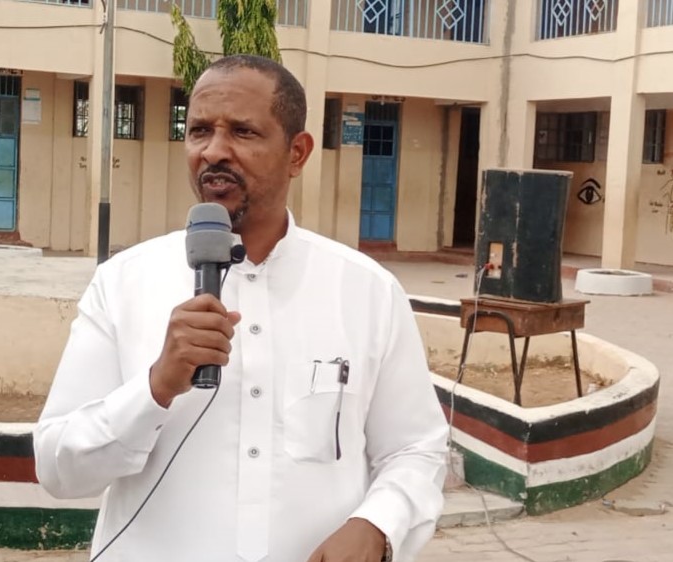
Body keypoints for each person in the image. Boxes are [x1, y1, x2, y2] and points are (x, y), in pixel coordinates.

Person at [33, 54, 448, 562]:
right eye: (199, 131)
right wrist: (156, 386)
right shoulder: (123, 283)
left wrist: (378, 525)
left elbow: (416, 448)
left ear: (297, 153)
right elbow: (58, 468)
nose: (214, 151)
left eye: (243, 132)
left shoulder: (367, 291)